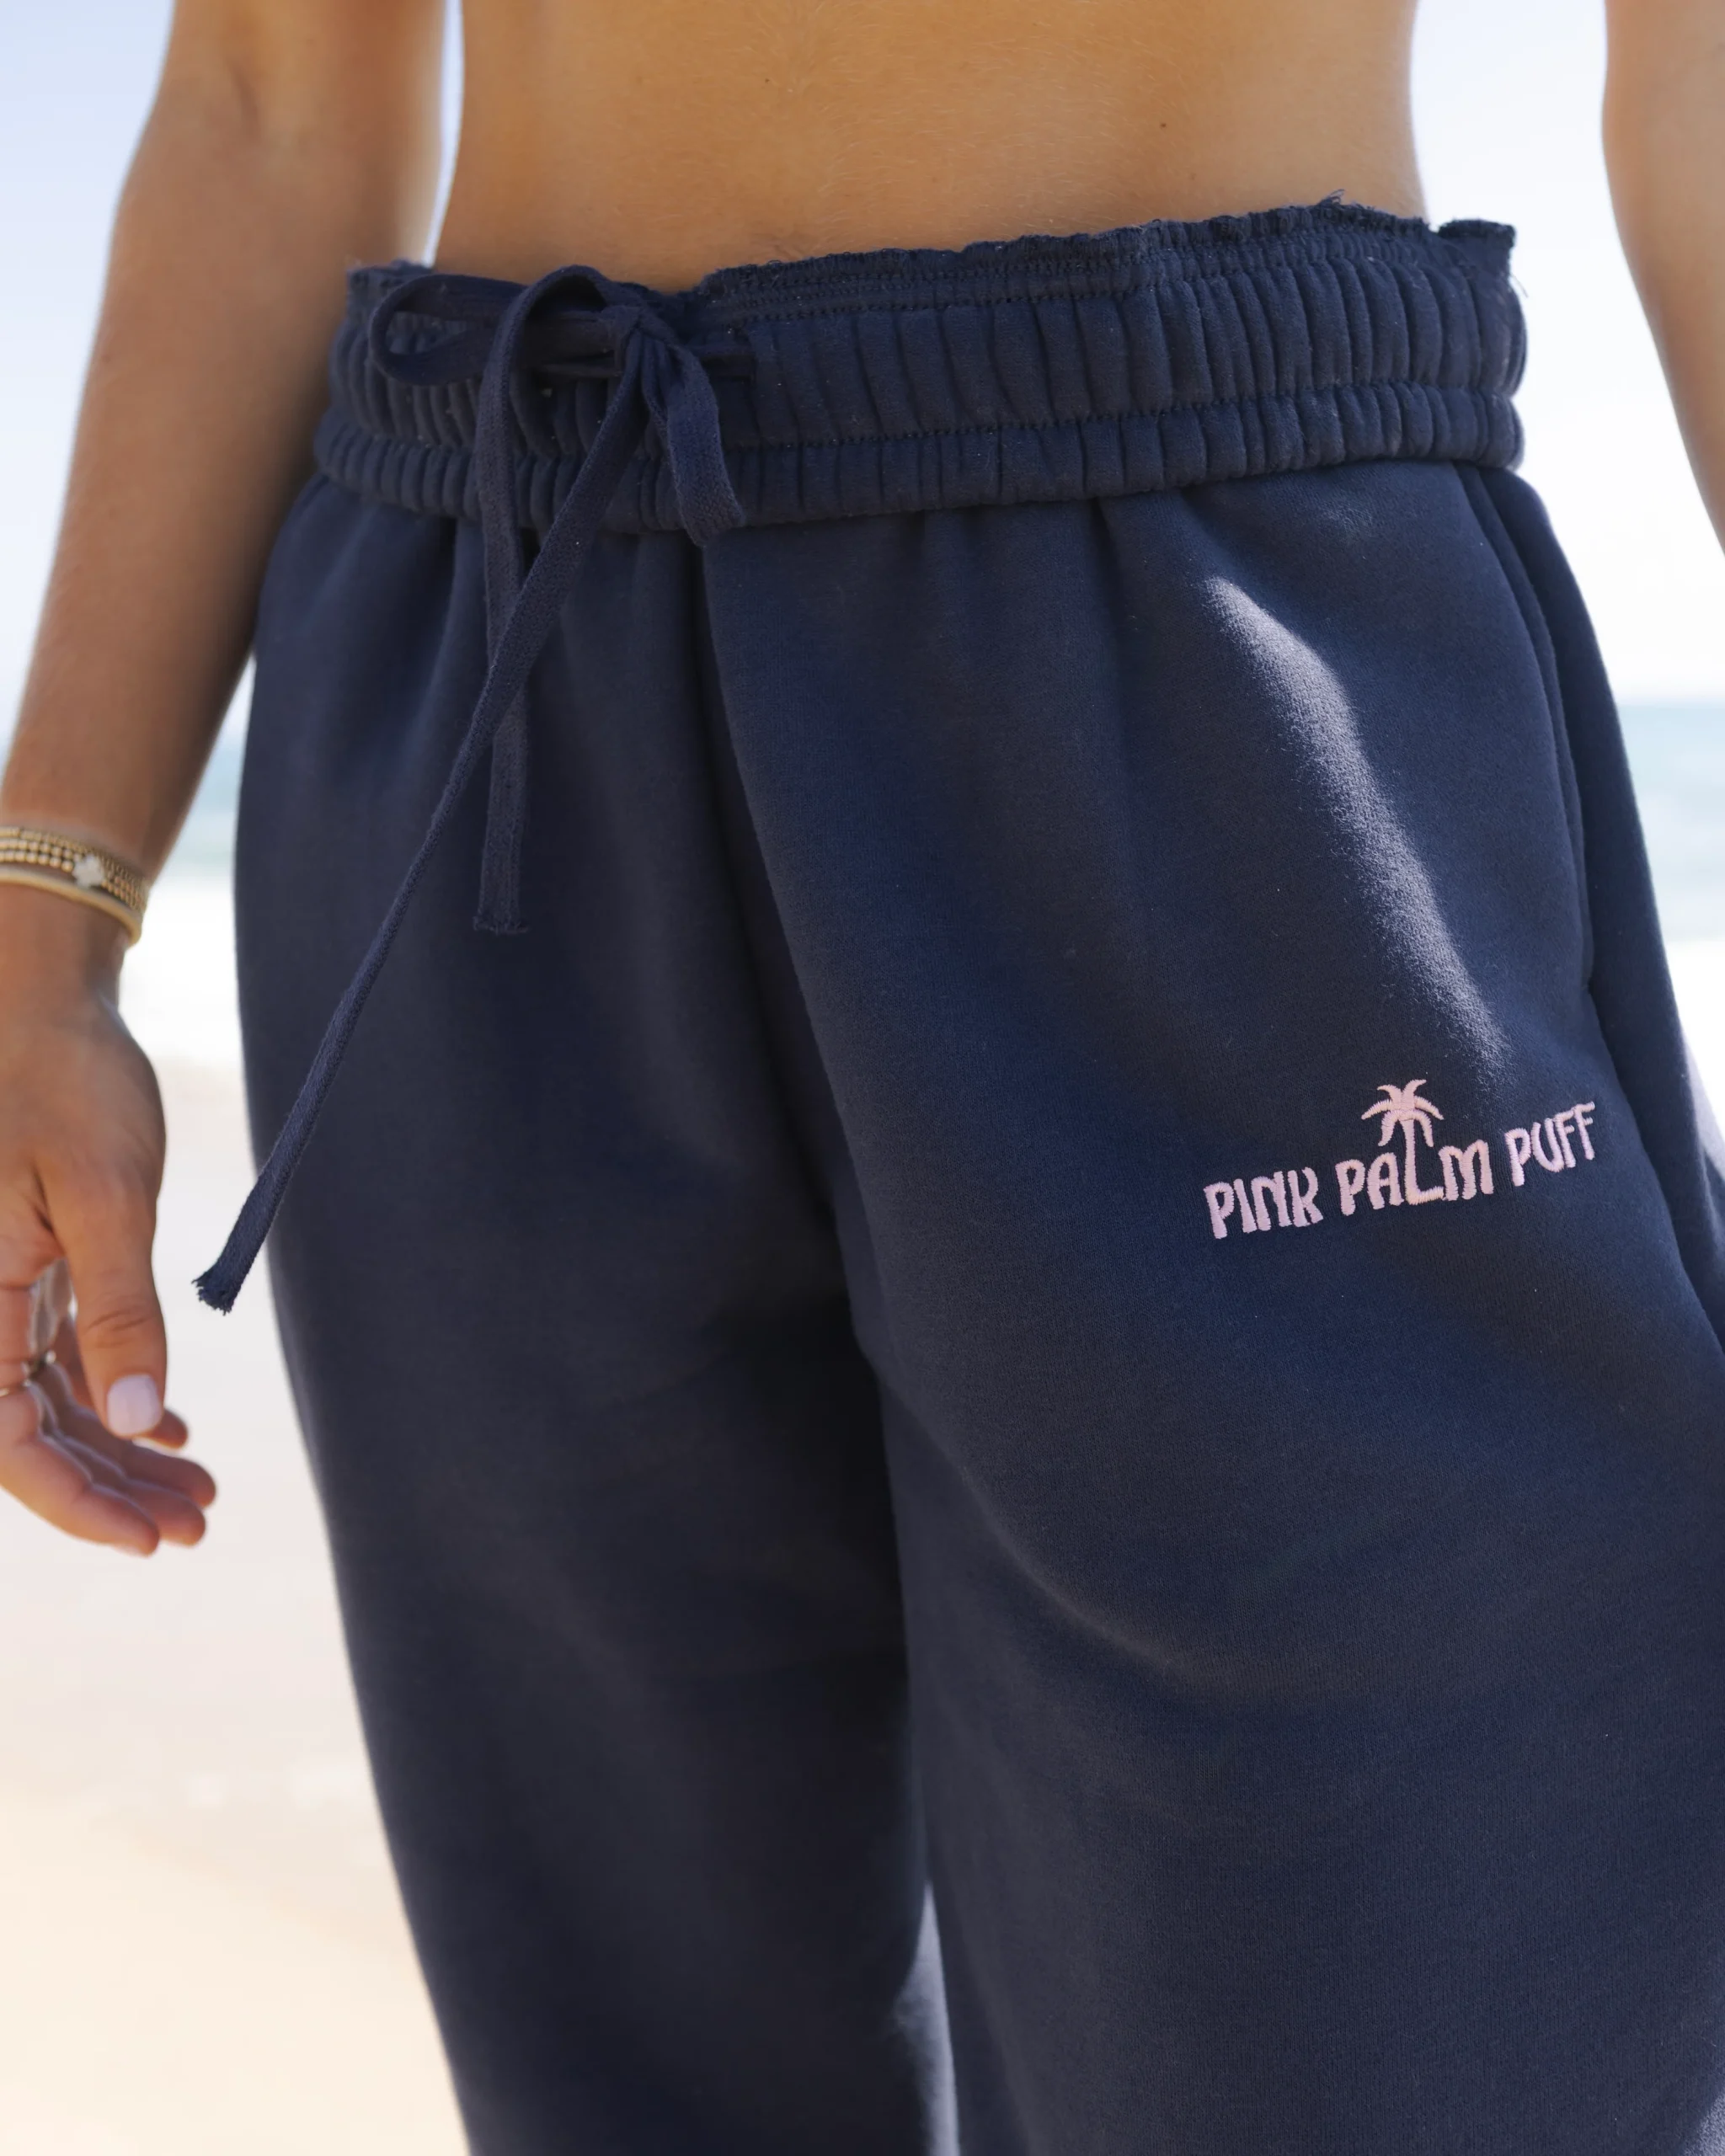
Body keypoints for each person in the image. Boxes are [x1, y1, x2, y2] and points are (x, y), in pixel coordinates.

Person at [3, 0, 1723, 2145]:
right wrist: (48, 927)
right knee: (640, 2086)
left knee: (1439, 2030)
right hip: (497, 670)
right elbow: (270, 96)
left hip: (1226, 643)